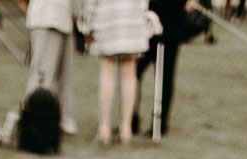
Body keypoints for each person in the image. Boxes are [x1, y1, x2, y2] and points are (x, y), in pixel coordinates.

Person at [131, 0, 207, 134]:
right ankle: (131, 120)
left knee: (165, 78)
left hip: (170, 29)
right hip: (147, 28)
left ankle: (160, 123)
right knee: (134, 73)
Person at [86, 0, 154, 143]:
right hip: (132, 20)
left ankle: (104, 130)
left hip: (107, 18)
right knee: (129, 75)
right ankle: (126, 130)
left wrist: (87, 24)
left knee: (107, 73)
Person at [23, 0, 80, 135]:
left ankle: (61, 119)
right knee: (43, 75)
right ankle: (33, 124)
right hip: (47, 17)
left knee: (65, 74)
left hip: (65, 17)